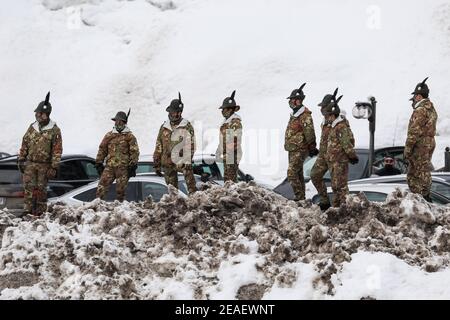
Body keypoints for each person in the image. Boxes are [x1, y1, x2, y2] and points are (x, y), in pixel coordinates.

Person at [18, 92, 63, 216]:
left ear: (46, 114)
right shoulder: (32, 127)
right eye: (36, 113)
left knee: (41, 191)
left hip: (44, 165)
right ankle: (27, 212)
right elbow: (25, 143)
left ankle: (40, 214)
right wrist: (21, 159)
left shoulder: (54, 130)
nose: (37, 115)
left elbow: (57, 150)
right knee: (28, 188)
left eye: (39, 113)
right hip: (30, 164)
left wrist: (54, 166)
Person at [153, 93, 197, 194]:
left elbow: (191, 146)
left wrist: (186, 160)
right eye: (173, 112)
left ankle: (194, 201)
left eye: (178, 112)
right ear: (169, 112)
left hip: (181, 162)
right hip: (167, 163)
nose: (175, 114)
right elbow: (158, 146)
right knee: (172, 191)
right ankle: (174, 205)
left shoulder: (186, 126)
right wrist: (157, 164)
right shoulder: (164, 127)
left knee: (191, 184)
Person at [404, 77, 438, 202]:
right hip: (429, 142)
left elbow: (414, 132)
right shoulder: (431, 109)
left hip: (420, 144)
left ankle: (420, 198)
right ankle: (425, 194)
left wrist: (407, 150)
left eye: (415, 96)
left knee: (414, 173)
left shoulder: (420, 110)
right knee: (424, 169)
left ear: (419, 96)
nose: (414, 99)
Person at [95, 109, 139, 202]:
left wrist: (133, 165)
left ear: (124, 122)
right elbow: (102, 149)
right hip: (110, 167)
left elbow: (134, 151)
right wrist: (99, 162)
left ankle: (120, 209)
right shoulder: (109, 135)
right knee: (101, 188)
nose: (117, 123)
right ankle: (98, 207)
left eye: (119, 121)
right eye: (116, 121)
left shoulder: (129, 136)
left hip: (123, 168)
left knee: (121, 191)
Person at [284, 83, 318, 201]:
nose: (290, 102)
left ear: (298, 101)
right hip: (293, 149)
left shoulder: (304, 115)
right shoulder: (295, 114)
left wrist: (312, 147)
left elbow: (309, 131)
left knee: (291, 173)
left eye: (292, 100)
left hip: (300, 149)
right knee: (298, 173)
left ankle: (299, 197)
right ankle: (302, 198)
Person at [325, 95, 359, 207]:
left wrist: (352, 156)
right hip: (334, 161)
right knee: (335, 186)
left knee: (341, 186)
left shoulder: (340, 127)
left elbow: (346, 143)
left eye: (329, 115)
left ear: (333, 115)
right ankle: (336, 208)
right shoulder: (334, 126)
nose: (327, 118)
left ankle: (345, 208)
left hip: (340, 161)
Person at [310, 88, 339, 211]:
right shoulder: (325, 120)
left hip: (333, 155)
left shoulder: (337, 120)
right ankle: (324, 200)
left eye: (323, 107)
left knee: (336, 184)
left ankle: (339, 207)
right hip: (323, 154)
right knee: (314, 174)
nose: (321, 109)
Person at [216, 90, 242, 182]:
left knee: (231, 181)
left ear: (230, 109)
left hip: (232, 155)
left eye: (224, 109)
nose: (222, 111)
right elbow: (224, 139)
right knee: (227, 180)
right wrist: (219, 150)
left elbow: (234, 140)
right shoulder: (226, 122)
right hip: (227, 155)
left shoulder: (234, 122)